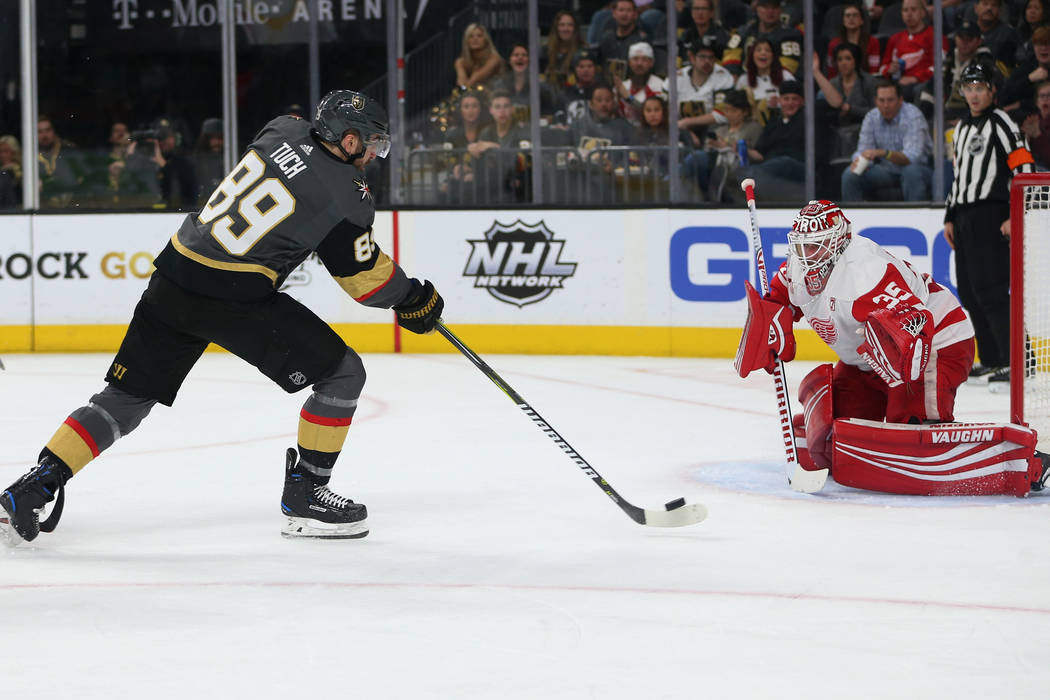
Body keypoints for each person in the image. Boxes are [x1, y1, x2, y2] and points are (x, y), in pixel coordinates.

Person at [0, 90, 445, 546]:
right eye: (370, 142)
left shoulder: (282, 127)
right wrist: (411, 297)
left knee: (124, 397)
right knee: (343, 374)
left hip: (173, 274)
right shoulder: (346, 194)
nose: (373, 153)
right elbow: (360, 278)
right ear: (348, 141)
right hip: (233, 295)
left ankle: (37, 484)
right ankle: (307, 495)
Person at [735, 199, 1049, 496]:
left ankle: (1011, 459)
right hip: (867, 359)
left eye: (816, 245)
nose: (807, 254)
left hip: (937, 343)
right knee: (840, 430)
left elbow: (916, 330)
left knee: (913, 427)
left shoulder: (865, 273)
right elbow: (780, 298)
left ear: (839, 242)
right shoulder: (798, 268)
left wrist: (904, 393)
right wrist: (774, 321)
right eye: (802, 245)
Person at [944, 62, 1035, 388]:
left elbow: (1023, 164)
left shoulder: (1002, 122)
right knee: (969, 290)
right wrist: (949, 216)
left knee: (992, 289)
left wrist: (1016, 212)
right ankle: (993, 359)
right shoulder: (963, 127)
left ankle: (1017, 361)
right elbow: (959, 177)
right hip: (964, 216)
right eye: (968, 88)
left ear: (991, 90)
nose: (974, 94)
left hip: (991, 215)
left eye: (980, 88)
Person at [840, 79, 934, 201]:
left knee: (911, 172)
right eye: (881, 100)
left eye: (890, 100)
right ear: (875, 101)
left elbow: (912, 157)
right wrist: (859, 160)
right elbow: (863, 150)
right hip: (886, 170)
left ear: (900, 100)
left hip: (919, 168)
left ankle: (914, 219)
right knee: (850, 175)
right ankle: (852, 220)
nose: (885, 105)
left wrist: (884, 153)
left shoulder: (913, 116)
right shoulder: (871, 117)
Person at [739, 79, 806, 195]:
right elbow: (760, 154)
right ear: (779, 101)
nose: (790, 103)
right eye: (786, 99)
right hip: (771, 168)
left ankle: (747, 178)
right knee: (742, 170)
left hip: (797, 167)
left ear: (802, 102)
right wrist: (741, 148)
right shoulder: (773, 122)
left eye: (794, 99)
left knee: (783, 162)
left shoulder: (808, 120)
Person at [876, 0, 949, 101]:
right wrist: (889, 69)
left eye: (913, 9)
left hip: (923, 84)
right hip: (897, 84)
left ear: (923, 13)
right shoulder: (894, 39)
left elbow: (942, 66)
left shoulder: (935, 36)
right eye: (905, 10)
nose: (909, 14)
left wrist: (916, 78)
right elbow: (882, 68)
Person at [675, 37, 736, 145]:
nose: (707, 61)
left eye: (711, 57)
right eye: (702, 57)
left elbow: (722, 115)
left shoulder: (724, 77)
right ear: (692, 57)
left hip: (713, 131)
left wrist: (687, 122)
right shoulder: (677, 77)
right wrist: (686, 132)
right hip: (680, 130)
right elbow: (665, 110)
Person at [944, 22, 1008, 121]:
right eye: (961, 38)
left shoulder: (985, 63)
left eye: (969, 39)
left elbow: (994, 92)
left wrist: (966, 118)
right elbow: (933, 86)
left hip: (971, 117)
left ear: (979, 41)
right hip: (944, 115)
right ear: (955, 38)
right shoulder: (949, 58)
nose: (965, 43)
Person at [722, 0, 804, 76]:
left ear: (780, 10)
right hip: (744, 81)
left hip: (775, 83)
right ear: (756, 9)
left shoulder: (790, 35)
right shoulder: (743, 32)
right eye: (765, 7)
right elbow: (730, 56)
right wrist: (734, 76)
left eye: (774, 7)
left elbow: (788, 68)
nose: (770, 11)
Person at [734, 38, 794, 124]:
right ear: (752, 56)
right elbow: (737, 108)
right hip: (752, 126)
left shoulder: (786, 76)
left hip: (782, 122)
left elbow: (797, 102)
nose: (763, 53)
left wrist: (779, 103)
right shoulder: (743, 80)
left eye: (768, 50)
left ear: (773, 56)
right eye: (758, 50)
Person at [37, 115, 85, 209]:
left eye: (48, 130)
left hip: (72, 204)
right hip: (42, 209)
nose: (45, 135)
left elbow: (84, 176)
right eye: (40, 132)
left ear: (53, 131)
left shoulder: (69, 150)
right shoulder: (30, 155)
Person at [615, 42, 667, 126]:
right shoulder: (623, 85)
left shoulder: (659, 86)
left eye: (644, 59)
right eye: (635, 59)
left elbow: (652, 114)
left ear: (651, 63)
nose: (639, 63)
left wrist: (629, 98)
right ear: (629, 62)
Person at [825, 3, 881, 77]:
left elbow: (874, 70)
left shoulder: (873, 42)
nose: (851, 18)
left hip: (866, 83)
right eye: (847, 16)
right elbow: (831, 70)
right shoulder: (834, 43)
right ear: (843, 21)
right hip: (839, 84)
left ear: (862, 20)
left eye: (855, 15)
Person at [597, 0, 652, 64]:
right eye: (621, 10)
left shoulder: (642, 40)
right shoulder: (607, 38)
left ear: (635, 14)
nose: (624, 14)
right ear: (614, 14)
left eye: (629, 10)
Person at [454, 23, 505, 89]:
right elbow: (461, 83)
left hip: (497, 94)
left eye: (479, 36)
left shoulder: (494, 59)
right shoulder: (460, 62)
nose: (475, 39)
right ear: (466, 41)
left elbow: (474, 80)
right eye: (471, 36)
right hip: (471, 95)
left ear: (486, 40)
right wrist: (464, 87)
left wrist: (465, 87)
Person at [542, 10, 584, 88]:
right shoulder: (545, 50)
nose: (566, 29)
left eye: (570, 25)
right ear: (556, 28)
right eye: (562, 25)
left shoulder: (583, 51)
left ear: (575, 28)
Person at [972, 0, 1020, 68]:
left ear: (1000, 10)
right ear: (975, 8)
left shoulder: (1008, 34)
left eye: (994, 5)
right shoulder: (966, 31)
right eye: (985, 4)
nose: (989, 8)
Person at [192, 118, 225, 207]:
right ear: (205, 139)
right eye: (212, 138)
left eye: (220, 138)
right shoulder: (194, 161)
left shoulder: (231, 160)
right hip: (198, 208)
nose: (217, 142)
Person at [1020, 79, 1050, 167]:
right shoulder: (1031, 121)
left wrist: (1037, 135)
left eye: (1049, 95)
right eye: (1042, 96)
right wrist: (1026, 139)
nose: (1045, 99)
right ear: (1037, 102)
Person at [0, 134, 22, 208]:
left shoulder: (25, 171)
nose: (2, 155)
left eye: (6, 151)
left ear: (14, 152)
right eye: (0, 151)